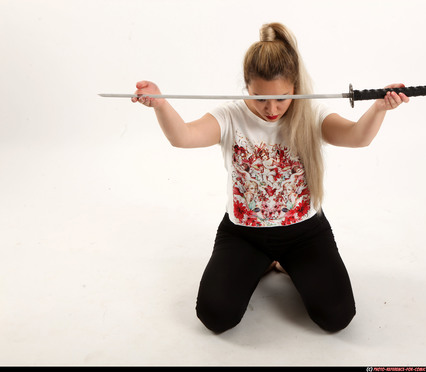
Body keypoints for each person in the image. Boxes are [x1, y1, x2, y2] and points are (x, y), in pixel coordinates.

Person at [132, 22, 409, 333]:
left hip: (305, 232)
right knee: (215, 316)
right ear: (247, 85)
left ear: (295, 87)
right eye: (261, 97)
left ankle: (286, 262)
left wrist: (380, 108)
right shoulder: (230, 116)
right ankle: (264, 261)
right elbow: (182, 136)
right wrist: (160, 105)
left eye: (283, 98)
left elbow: (357, 137)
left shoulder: (309, 113)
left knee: (337, 317)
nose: (272, 108)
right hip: (244, 235)